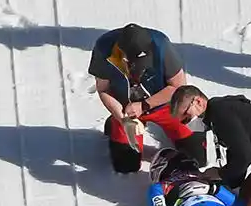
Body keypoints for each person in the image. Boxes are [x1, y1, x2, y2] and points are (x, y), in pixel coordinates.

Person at [86, 24, 205, 173]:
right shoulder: (104, 49)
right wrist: (122, 118)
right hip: (127, 109)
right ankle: (114, 124)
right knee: (126, 166)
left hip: (164, 105)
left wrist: (144, 105)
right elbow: (103, 89)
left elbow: (179, 87)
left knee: (197, 158)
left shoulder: (161, 45)